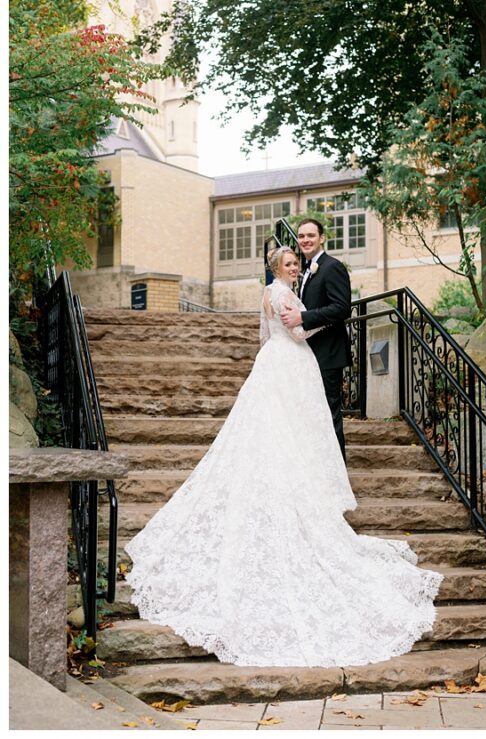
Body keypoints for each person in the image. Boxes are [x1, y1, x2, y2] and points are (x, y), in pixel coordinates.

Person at [124, 247, 440, 667]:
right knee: (296, 426)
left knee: (283, 427)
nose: (294, 268)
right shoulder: (286, 295)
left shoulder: (266, 295)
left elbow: (264, 334)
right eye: (289, 264)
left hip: (272, 362)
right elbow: (295, 332)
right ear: (278, 268)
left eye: (296, 263)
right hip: (291, 361)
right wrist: (312, 324)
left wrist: (297, 324)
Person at [276, 217, 353, 459]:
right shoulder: (307, 269)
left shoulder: (332, 267)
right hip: (312, 353)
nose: (305, 240)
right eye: (301, 236)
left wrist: (304, 317)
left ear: (322, 238)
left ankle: (337, 477)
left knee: (330, 416)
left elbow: (342, 309)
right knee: (315, 415)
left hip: (329, 354)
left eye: (310, 235)